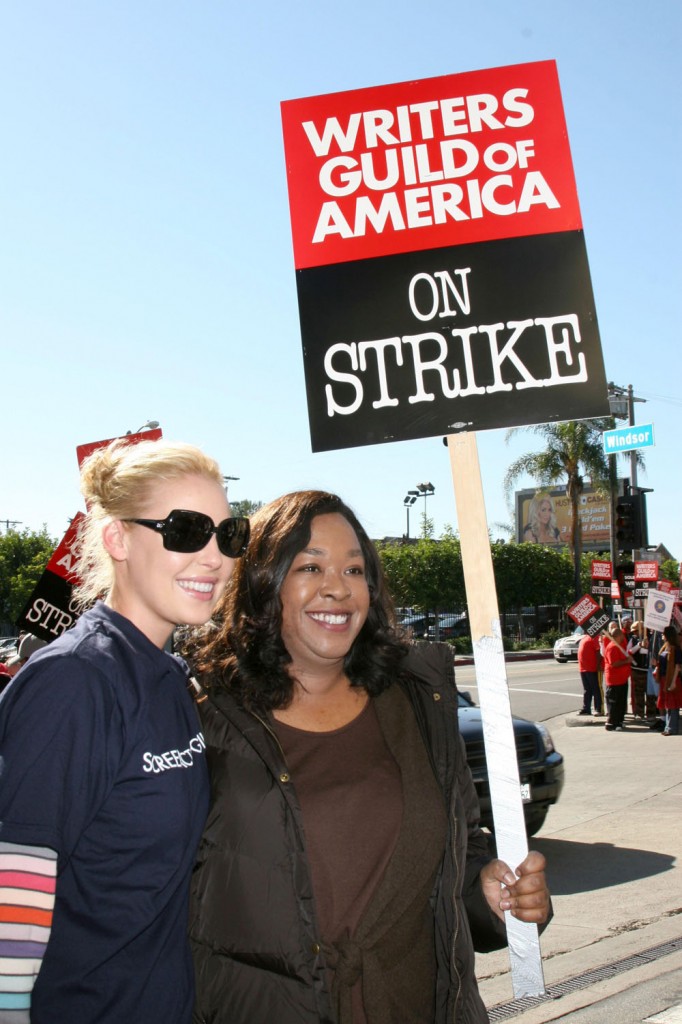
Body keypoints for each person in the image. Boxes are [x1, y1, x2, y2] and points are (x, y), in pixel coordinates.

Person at [186, 490, 551, 1024]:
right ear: (266, 583)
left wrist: (493, 898)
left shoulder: (417, 702)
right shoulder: (202, 714)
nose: (338, 588)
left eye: (355, 569)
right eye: (311, 566)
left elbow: (461, 851)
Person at [0, 438, 249, 1024]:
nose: (214, 556)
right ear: (118, 539)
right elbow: (13, 895)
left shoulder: (169, 676)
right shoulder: (74, 682)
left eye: (228, 535)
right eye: (186, 530)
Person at [603, 626, 633, 732]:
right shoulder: (612, 647)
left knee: (621, 702)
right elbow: (614, 663)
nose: (623, 637)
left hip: (621, 679)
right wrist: (627, 661)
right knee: (614, 703)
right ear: (618, 636)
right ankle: (611, 723)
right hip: (614, 680)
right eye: (622, 635)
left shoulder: (619, 646)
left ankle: (619, 721)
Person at [653, 625, 682, 736]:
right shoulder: (665, 647)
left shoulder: (676, 648)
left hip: (672, 679)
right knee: (667, 704)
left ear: (668, 635)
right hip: (664, 678)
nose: (662, 635)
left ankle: (671, 728)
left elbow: (677, 666)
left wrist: (674, 681)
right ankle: (668, 727)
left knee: (673, 705)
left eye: (663, 634)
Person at [626, 620, 652, 720]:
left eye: (636, 631)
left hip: (648, 669)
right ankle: (639, 713)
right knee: (638, 693)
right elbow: (629, 651)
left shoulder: (651, 638)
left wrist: (647, 645)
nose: (635, 633)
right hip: (637, 669)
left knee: (650, 694)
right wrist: (639, 646)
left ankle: (651, 713)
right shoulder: (633, 639)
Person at [576, 630, 603, 715]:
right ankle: (586, 708)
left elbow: (598, 652)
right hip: (583, 668)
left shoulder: (595, 637)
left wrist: (598, 665)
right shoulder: (585, 637)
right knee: (587, 689)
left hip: (592, 668)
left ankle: (598, 708)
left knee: (596, 689)